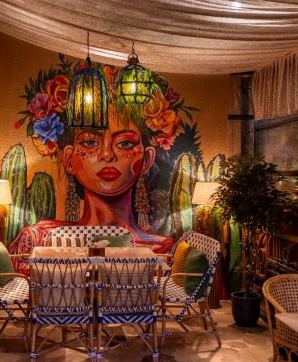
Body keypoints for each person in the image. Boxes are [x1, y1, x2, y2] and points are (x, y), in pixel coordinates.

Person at [9, 106, 176, 256]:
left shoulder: (162, 249)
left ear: (146, 160)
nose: (107, 154)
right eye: (90, 142)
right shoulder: (39, 239)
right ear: (69, 160)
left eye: (124, 143)